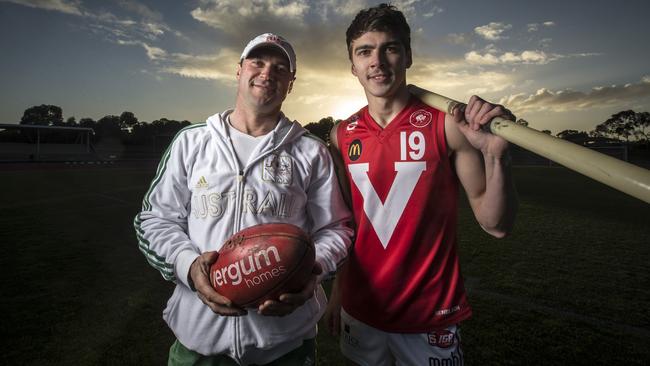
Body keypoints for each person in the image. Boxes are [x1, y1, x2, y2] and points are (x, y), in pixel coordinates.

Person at [134, 33, 353, 365]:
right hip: (199, 342)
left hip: (287, 344)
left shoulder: (310, 150)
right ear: (239, 71)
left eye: (280, 68)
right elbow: (154, 220)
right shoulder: (192, 142)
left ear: (290, 84)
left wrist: (311, 271)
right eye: (258, 62)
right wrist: (190, 267)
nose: (267, 73)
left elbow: (337, 228)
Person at [324, 4, 518, 365]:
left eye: (390, 48)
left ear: (408, 56)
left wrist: (494, 157)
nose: (377, 61)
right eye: (364, 51)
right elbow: (349, 226)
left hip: (430, 317)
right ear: (353, 66)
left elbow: (497, 226)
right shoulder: (341, 135)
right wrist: (338, 292)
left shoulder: (445, 125)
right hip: (360, 311)